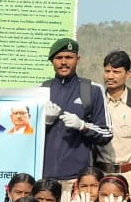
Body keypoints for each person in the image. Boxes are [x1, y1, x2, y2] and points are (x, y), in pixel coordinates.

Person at [40, 38, 111, 190]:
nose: (64, 62)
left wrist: (83, 126)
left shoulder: (92, 90)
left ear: (78, 59)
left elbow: (106, 133)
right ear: (52, 60)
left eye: (69, 57)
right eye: (59, 58)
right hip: (44, 178)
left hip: (77, 179)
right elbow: (27, 135)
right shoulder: (41, 91)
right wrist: (43, 123)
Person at [93, 51, 131, 197]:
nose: (110, 76)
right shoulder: (96, 102)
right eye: (107, 71)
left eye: (116, 72)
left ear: (127, 74)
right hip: (102, 174)